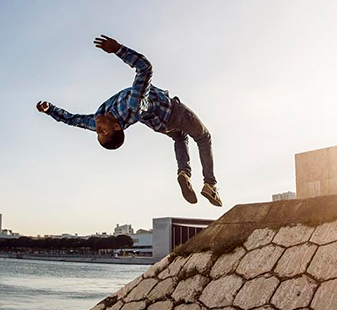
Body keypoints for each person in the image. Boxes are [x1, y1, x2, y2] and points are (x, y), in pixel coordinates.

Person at [37, 35, 222, 207]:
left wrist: (50, 110)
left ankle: (184, 173)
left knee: (180, 138)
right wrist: (118, 49)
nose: (98, 128)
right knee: (204, 137)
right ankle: (210, 185)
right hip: (174, 113)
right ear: (117, 126)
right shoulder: (133, 105)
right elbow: (145, 68)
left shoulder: (97, 120)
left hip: (160, 125)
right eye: (103, 132)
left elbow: (73, 120)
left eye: (98, 133)